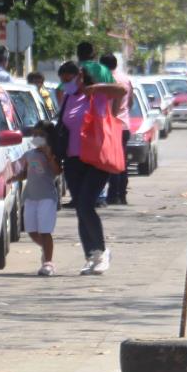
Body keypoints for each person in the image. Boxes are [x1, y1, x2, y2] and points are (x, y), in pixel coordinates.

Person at [62, 61, 130, 275]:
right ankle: (91, 255)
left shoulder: (100, 97)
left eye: (81, 76)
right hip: (73, 160)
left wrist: (96, 88)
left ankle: (101, 252)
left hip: (96, 159)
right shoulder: (69, 98)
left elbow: (122, 90)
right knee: (81, 211)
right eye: (76, 76)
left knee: (86, 205)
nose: (77, 79)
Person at [23, 121, 61, 276]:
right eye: (35, 135)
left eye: (41, 135)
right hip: (30, 196)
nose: (37, 138)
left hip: (46, 197)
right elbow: (25, 172)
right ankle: (45, 247)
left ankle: (48, 263)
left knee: (45, 231)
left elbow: (57, 171)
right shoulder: (29, 154)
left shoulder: (51, 154)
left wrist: (49, 155)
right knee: (31, 231)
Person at [99, 53, 132, 206]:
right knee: (122, 161)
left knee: (111, 161)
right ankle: (121, 195)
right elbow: (130, 102)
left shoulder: (106, 81)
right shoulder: (125, 78)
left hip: (111, 124)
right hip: (124, 124)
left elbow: (111, 105)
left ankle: (113, 195)